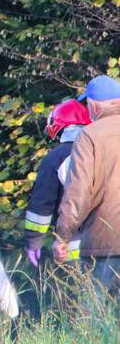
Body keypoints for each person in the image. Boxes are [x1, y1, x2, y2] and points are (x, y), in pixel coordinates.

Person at [55, 75, 120, 298]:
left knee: (94, 316)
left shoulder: (90, 135)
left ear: (93, 105)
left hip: (105, 243)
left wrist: (63, 235)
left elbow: (78, 192)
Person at [24, 98, 91, 266]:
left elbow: (41, 205)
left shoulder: (56, 157)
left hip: (73, 246)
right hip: (110, 241)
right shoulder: (103, 149)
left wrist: (33, 242)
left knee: (82, 291)